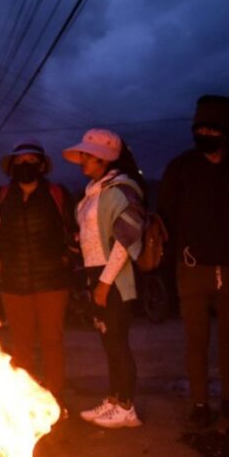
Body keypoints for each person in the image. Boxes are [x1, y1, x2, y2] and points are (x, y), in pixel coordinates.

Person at [158, 95, 229, 428]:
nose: (204, 133)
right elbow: (166, 217)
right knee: (196, 339)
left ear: (226, 131)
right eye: (199, 127)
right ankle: (200, 403)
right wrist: (178, 252)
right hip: (192, 268)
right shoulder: (181, 167)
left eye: (212, 128)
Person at [65, 129, 146, 428]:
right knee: (108, 341)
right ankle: (114, 399)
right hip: (94, 272)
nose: (82, 160)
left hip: (112, 277)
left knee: (118, 342)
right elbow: (96, 233)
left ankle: (127, 407)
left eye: (88, 154)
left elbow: (126, 239)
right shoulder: (93, 191)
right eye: (82, 154)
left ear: (105, 157)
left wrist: (105, 282)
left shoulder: (122, 190)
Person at [0, 140, 78, 408]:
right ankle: (26, 402)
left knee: (52, 342)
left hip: (52, 281)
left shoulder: (57, 194)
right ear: (11, 166)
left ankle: (55, 398)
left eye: (31, 161)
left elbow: (76, 232)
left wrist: (67, 258)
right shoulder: (1, 196)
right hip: (13, 282)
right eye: (19, 161)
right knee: (22, 346)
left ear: (41, 165)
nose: (25, 165)